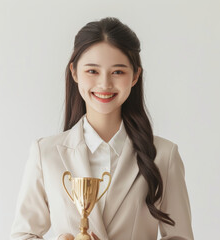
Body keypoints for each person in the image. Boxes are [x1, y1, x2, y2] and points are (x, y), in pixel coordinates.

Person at [10, 17, 194, 240]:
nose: (105, 84)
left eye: (118, 72)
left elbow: (181, 237)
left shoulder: (164, 155)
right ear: (75, 73)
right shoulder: (46, 153)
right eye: (92, 71)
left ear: (135, 75)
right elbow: (23, 234)